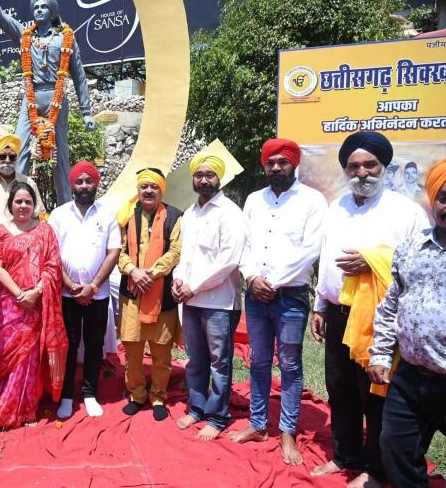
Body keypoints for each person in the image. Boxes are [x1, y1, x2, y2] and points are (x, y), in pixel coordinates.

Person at [310, 132, 429, 488]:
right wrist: (319, 305)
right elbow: (325, 260)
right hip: (337, 312)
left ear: (383, 166)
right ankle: (344, 455)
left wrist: (372, 261)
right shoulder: (337, 208)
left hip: (379, 319)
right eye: (353, 166)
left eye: (369, 165)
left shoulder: (405, 211)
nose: (361, 172)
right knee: (340, 388)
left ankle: (375, 470)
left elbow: (419, 264)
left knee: (374, 393)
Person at [229, 139, 327, 463]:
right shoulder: (255, 201)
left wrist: (273, 281)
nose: (275, 168)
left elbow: (310, 250)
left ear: (293, 164)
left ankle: (287, 432)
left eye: (282, 162)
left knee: (290, 365)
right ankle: (257, 424)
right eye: (270, 163)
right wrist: (253, 278)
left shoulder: (312, 201)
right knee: (257, 360)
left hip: (291, 297)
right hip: (256, 294)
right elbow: (243, 245)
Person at [0, 0, 96, 205]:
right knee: (18, 149)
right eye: (35, 7)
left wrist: (86, 112)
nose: (39, 10)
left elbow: (79, 76)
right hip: (30, 97)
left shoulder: (65, 38)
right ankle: (15, 201)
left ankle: (63, 207)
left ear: (52, 12)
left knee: (61, 154)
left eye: (43, 7)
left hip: (56, 97)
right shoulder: (24, 34)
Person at [368, 159, 446, 487]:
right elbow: (391, 305)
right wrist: (381, 354)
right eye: (444, 196)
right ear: (432, 200)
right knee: (395, 448)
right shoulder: (413, 247)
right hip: (411, 377)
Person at [172, 153, 245, 440]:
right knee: (196, 358)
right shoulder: (190, 213)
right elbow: (184, 255)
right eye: (199, 175)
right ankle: (197, 408)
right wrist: (178, 279)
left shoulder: (230, 213)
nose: (204, 179)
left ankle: (217, 416)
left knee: (220, 362)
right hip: (190, 301)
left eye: (210, 174)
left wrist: (195, 286)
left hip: (219, 303)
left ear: (219, 178)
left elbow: (229, 260)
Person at [0, 181, 66, 429]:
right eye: (18, 201)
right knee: (9, 354)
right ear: (10, 205)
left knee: (30, 358)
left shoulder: (45, 231)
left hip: (38, 302)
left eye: (28, 201)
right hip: (8, 303)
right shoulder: (0, 231)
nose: (23, 206)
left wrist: (36, 292)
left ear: (35, 205)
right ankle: (4, 406)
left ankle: (27, 409)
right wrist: (21, 294)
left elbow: (53, 266)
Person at [48, 162, 120, 419]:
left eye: (89, 181)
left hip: (97, 295)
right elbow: (52, 254)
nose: (84, 186)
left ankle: (90, 393)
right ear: (72, 184)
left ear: (96, 183)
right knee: (68, 344)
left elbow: (113, 252)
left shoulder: (108, 214)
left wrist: (93, 286)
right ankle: (67, 395)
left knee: (94, 343)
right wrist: (69, 285)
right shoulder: (59, 215)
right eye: (79, 182)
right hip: (67, 295)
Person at [116, 168, 182, 422]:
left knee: (161, 352)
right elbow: (118, 250)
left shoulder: (175, 216)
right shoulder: (126, 216)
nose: (148, 190)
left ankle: (158, 396)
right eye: (144, 186)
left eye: (153, 187)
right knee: (132, 351)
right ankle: (137, 395)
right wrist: (133, 271)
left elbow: (176, 251)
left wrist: (150, 274)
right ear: (138, 190)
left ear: (161, 190)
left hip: (161, 293)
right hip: (132, 293)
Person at [0, 135, 44, 234]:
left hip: (21, 244)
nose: (7, 160)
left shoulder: (29, 183)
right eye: (2, 156)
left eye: (12, 157)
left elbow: (39, 216)